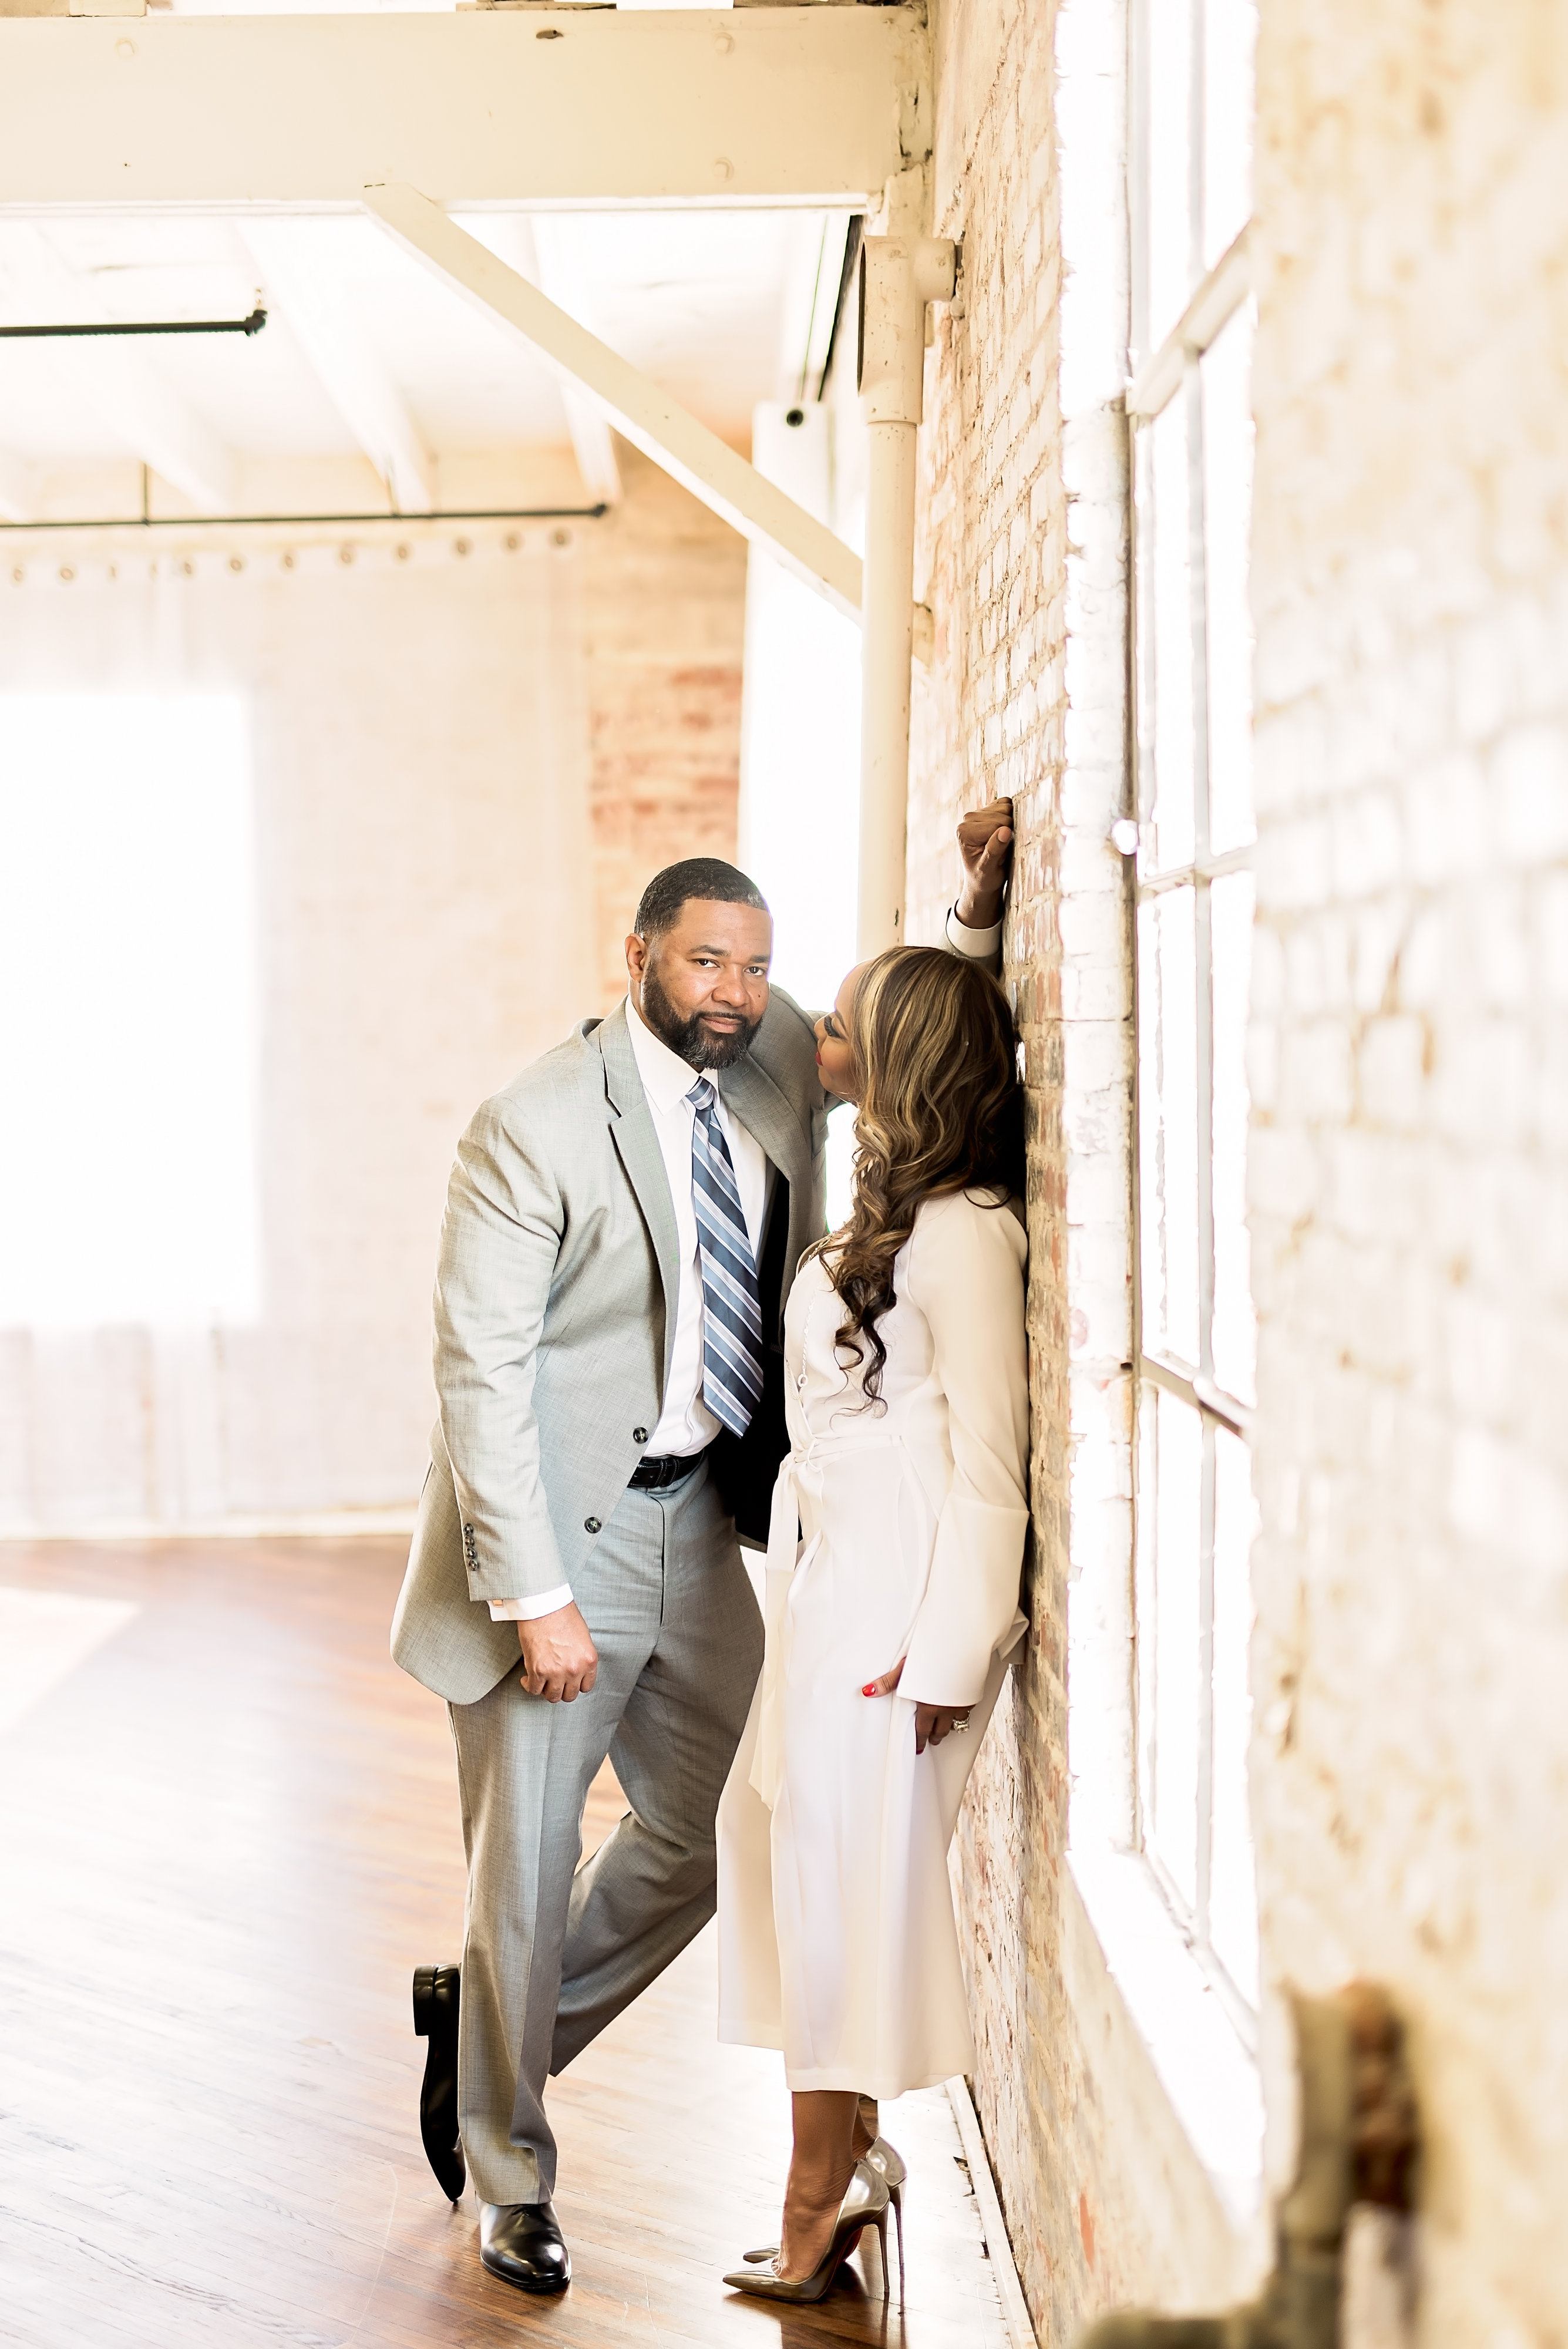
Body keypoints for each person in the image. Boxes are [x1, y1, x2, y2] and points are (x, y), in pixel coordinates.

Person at [389, 807, 1015, 2297]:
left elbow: (911, 1039)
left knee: (713, 1836)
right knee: (527, 1874)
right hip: (560, 1540)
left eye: (759, 964)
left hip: (705, 1526)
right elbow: (478, 1371)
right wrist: (530, 1593)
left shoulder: (777, 1051)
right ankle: (510, 2173)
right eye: (706, 958)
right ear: (641, 959)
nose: (735, 989)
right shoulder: (533, 1123)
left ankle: (495, 2036)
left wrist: (979, 916)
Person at [714, 943, 1030, 2306]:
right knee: (798, 1863)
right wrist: (970, 921)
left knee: (841, 1891)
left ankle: (810, 2199)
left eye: (842, 1019)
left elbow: (994, 1464)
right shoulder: (903, 1201)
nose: (816, 1028)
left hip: (898, 1597)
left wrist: (954, 1646)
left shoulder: (963, 1232)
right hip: (832, 1572)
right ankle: (846, 2161)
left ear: (894, 1056)